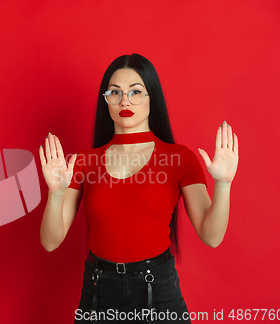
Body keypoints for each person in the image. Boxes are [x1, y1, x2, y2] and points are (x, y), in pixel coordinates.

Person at [38, 54, 239, 324]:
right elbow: (50, 242)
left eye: (135, 92)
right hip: (99, 294)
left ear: (151, 97)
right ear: (105, 100)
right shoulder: (83, 162)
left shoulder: (180, 158)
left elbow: (211, 236)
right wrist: (57, 192)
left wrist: (224, 184)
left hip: (158, 291)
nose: (125, 101)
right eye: (115, 92)